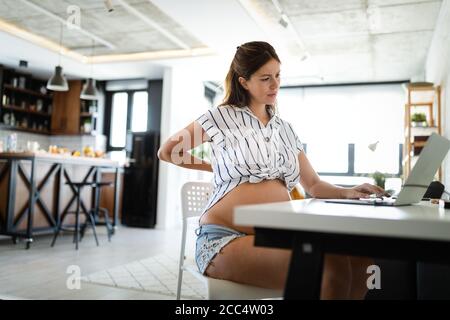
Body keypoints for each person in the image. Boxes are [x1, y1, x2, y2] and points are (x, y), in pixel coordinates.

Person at [158, 41, 387, 299]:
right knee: (330, 270)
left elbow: (313, 184)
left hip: (279, 236)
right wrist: (216, 167)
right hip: (225, 238)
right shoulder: (220, 118)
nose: (275, 84)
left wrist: (348, 192)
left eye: (278, 75)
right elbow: (169, 152)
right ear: (244, 82)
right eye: (265, 78)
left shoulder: (285, 129)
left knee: (362, 264)